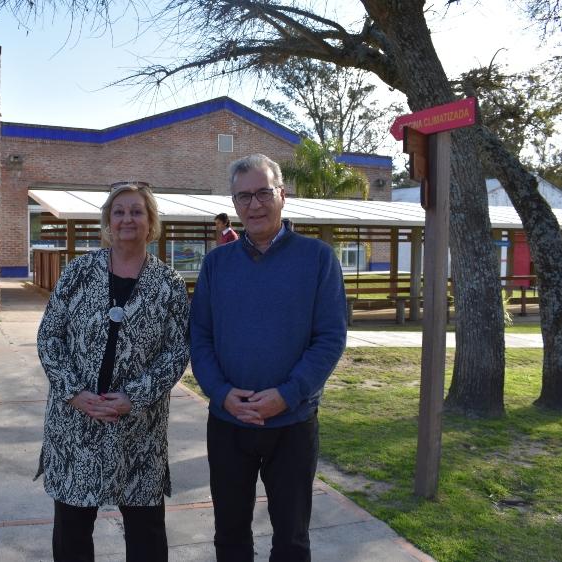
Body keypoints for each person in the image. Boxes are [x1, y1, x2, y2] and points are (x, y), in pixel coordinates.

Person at [190, 154, 347, 562]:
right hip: (227, 423)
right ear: (234, 203)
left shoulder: (318, 259)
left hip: (292, 423)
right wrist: (221, 393)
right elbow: (201, 337)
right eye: (244, 196)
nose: (254, 205)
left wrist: (288, 394)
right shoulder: (216, 264)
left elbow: (330, 339)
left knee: (292, 540)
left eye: (263, 193)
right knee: (230, 537)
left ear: (283, 194)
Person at [35, 182, 191, 562]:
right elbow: (50, 335)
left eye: (137, 211)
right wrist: (73, 392)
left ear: (150, 220)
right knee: (71, 533)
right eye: (119, 211)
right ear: (107, 220)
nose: (127, 219)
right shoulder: (79, 272)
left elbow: (177, 350)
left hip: (138, 429)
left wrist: (133, 397)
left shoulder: (168, 283)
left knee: (146, 535)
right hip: (76, 425)